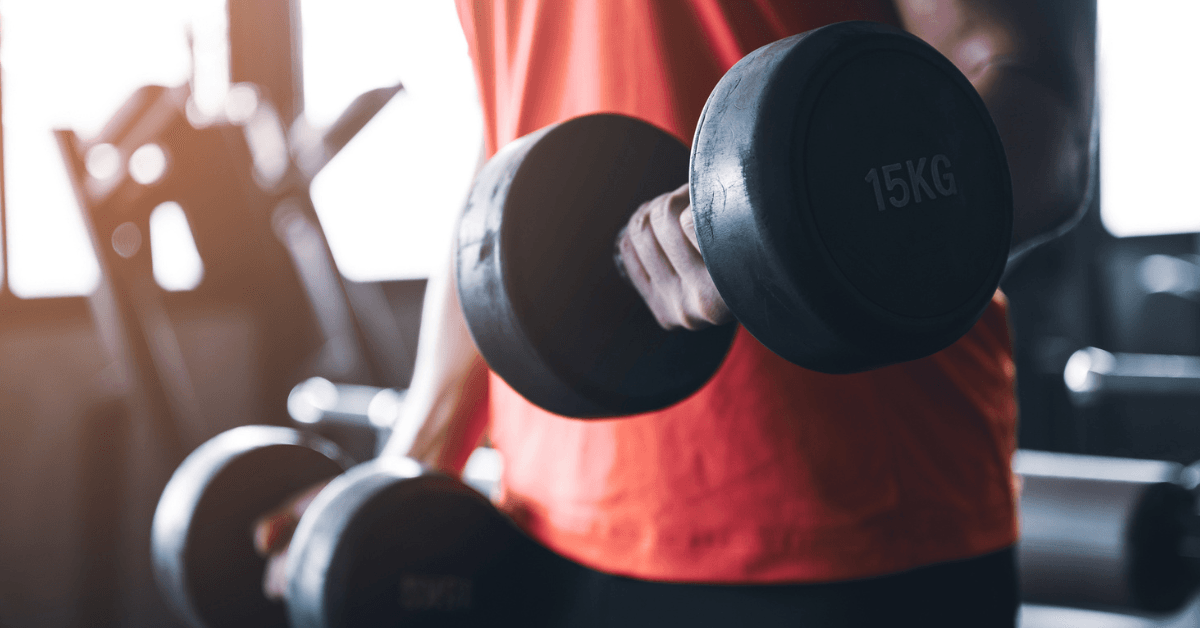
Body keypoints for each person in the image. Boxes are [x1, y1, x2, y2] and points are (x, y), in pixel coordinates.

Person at [256, 1, 1096, 625]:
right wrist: (408, 466)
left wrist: (783, 232)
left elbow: (1042, 124)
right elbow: (513, 163)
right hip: (551, 527)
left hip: (841, 529)